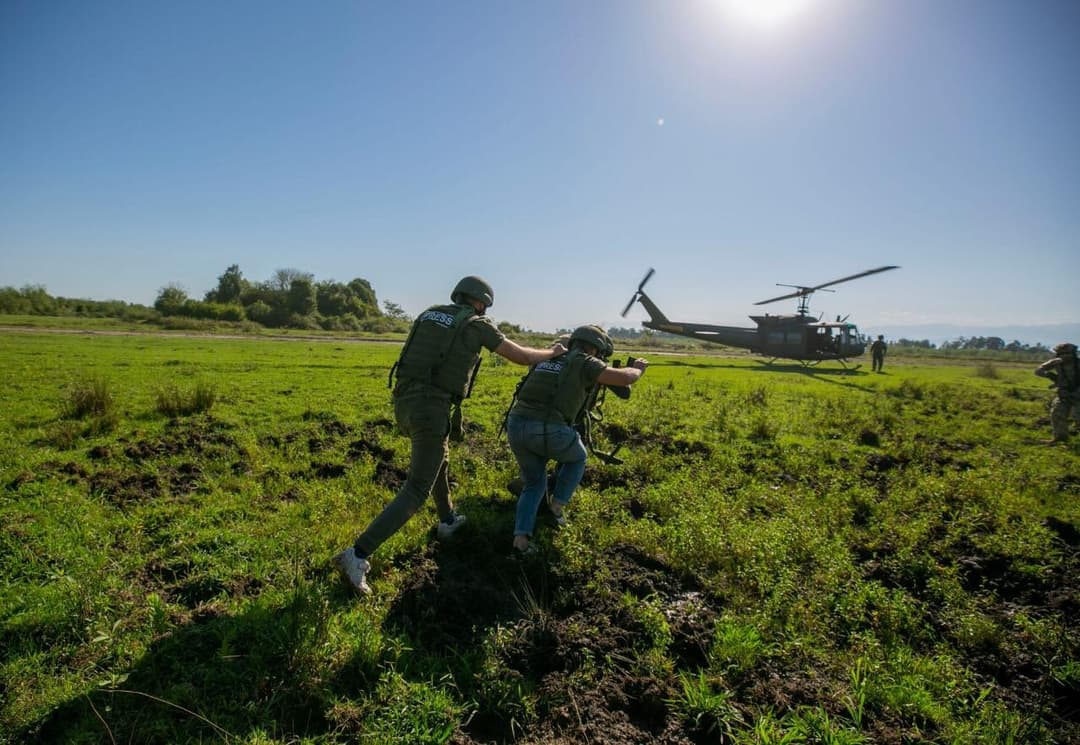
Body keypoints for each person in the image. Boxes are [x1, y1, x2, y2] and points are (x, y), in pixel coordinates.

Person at [333, 276, 567, 594]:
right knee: (417, 487)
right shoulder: (476, 324)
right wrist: (552, 352)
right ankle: (357, 554)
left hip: (404, 402)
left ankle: (447, 520)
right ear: (482, 302)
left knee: (438, 459)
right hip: (431, 406)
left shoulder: (430, 314)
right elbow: (522, 357)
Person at [505, 325, 647, 555]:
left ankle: (521, 541)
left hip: (516, 426)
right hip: (548, 427)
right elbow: (624, 380)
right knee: (578, 457)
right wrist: (637, 369)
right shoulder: (585, 361)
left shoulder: (549, 357)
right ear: (595, 348)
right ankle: (557, 506)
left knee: (533, 484)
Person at [1034, 342, 1079, 444]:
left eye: (1067, 353)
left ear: (1073, 353)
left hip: (1078, 394)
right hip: (1063, 393)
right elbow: (1038, 371)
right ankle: (1060, 438)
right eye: (1062, 353)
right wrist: (1049, 375)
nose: (1065, 356)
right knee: (1057, 414)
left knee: (1078, 418)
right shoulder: (1055, 363)